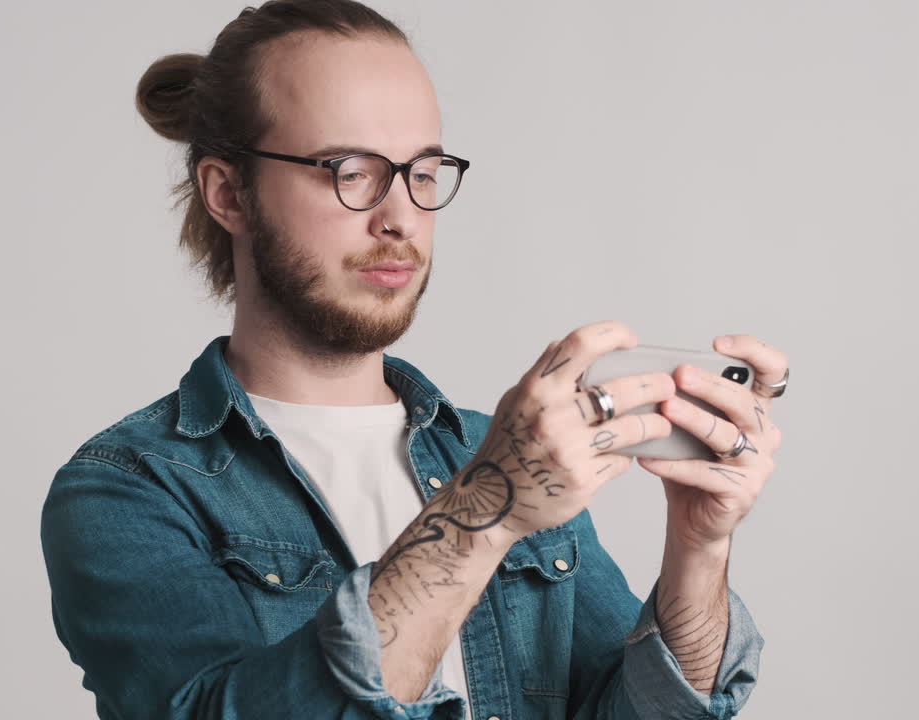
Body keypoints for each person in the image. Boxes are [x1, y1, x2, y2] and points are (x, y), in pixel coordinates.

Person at [39, 1, 790, 718]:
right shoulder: (129, 490)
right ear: (229, 193)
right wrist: (483, 513)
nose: (400, 218)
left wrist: (699, 547)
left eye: (422, 172)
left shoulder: (492, 447)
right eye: (349, 170)